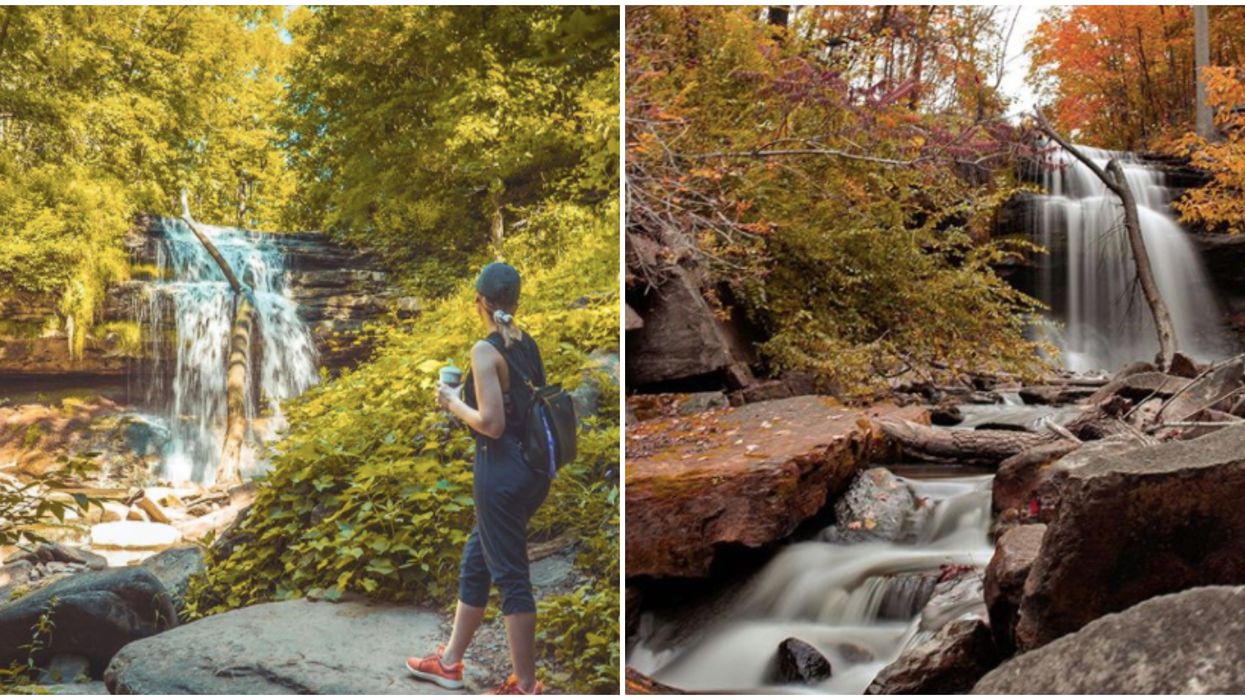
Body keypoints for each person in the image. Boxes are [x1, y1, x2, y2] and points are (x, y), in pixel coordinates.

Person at [406, 262, 551, 695]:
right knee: (477, 559)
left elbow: (491, 424)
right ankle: (449, 662)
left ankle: (525, 686)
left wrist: (451, 402)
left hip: (500, 476)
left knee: (510, 576)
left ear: (479, 302)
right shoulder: (527, 344)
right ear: (515, 301)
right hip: (532, 472)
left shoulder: (485, 351)